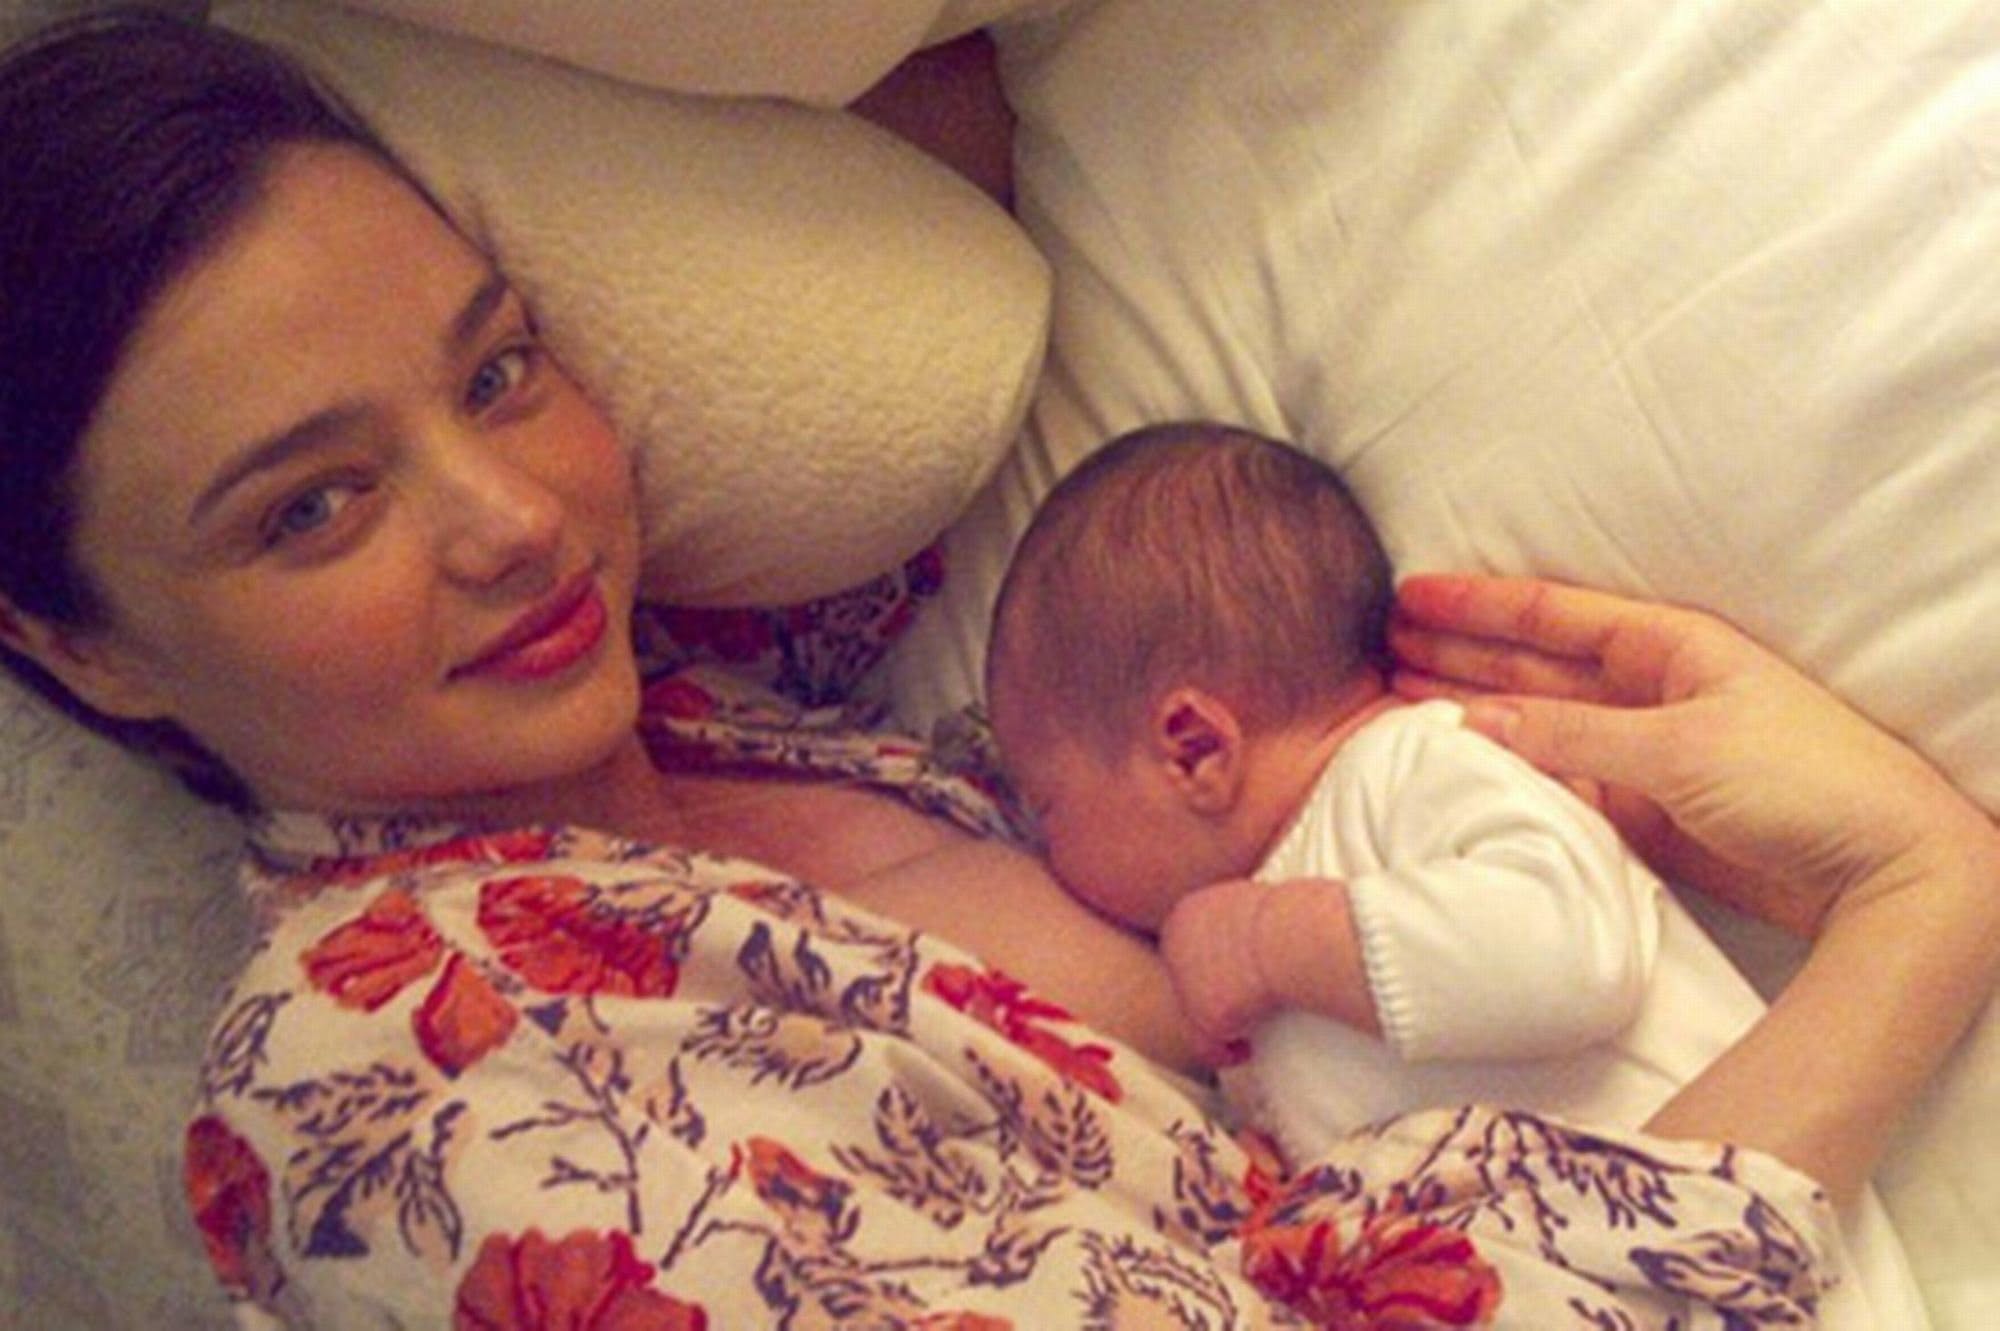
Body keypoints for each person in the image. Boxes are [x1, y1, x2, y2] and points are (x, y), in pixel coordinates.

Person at [1, 12, 1994, 1329]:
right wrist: (1917, 904)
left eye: (502, 366)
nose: (515, 518)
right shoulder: (380, 1072)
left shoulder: (720, 684)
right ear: (79, 641)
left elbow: (940, 159)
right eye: (310, 508)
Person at [984, 422, 1773, 1157]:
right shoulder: (1263, 920)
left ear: (1194, 749)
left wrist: (1267, 941)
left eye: (1047, 806)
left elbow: (1575, 952)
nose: (1044, 852)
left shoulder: (1411, 762)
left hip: (1731, 1198)